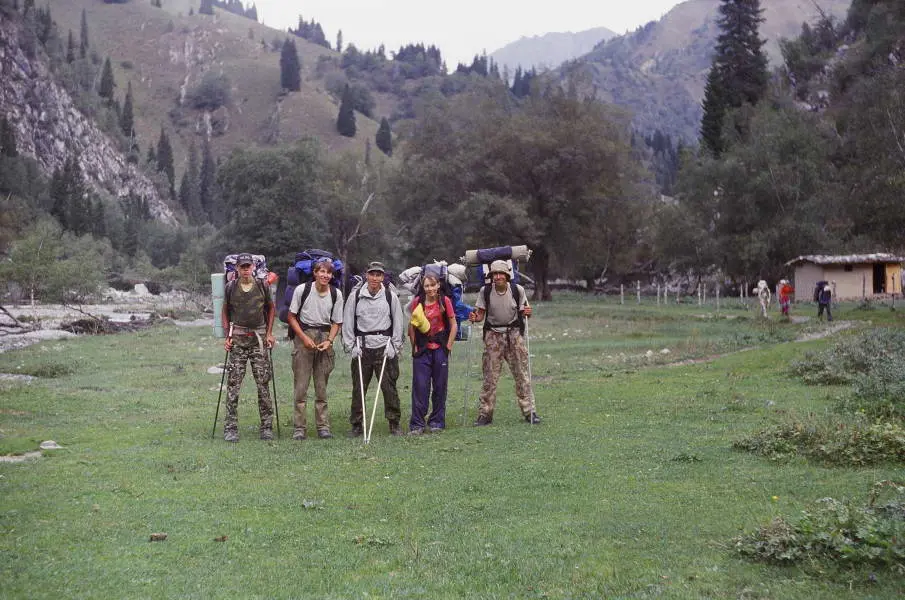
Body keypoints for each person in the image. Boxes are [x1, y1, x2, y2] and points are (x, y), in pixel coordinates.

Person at [468, 260, 541, 426]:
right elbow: (479, 316)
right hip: (493, 336)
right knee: (489, 377)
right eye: (495, 274)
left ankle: (530, 412)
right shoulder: (485, 291)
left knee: (522, 374)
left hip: (514, 335)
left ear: (508, 276)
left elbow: (524, 313)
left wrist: (529, 312)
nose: (498, 277)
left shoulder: (517, 290)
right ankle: (485, 414)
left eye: (501, 274)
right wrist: (474, 317)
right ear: (491, 276)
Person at [341, 261, 405, 437]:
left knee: (389, 387)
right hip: (362, 347)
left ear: (383, 277)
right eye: (372, 274)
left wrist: (395, 345)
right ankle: (356, 425)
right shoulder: (355, 296)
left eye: (378, 275)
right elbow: (347, 323)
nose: (375, 278)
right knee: (358, 388)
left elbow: (398, 323)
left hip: (385, 346)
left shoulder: (390, 296)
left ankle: (394, 422)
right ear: (366, 275)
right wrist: (351, 345)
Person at [286, 258, 344, 440]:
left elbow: (337, 322)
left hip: (324, 337)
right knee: (301, 386)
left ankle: (323, 427)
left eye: (328, 273)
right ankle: (299, 428)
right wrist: (303, 338)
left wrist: (330, 341)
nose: (325, 275)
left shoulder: (336, 294)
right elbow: (291, 316)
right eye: (322, 271)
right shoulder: (302, 290)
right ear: (315, 273)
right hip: (304, 335)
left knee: (321, 387)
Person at [221, 253, 276, 442]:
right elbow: (225, 311)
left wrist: (269, 333)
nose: (245, 269)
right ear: (237, 268)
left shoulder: (263, 285)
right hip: (238, 340)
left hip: (259, 339)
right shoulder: (230, 287)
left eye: (248, 266)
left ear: (253, 267)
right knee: (233, 386)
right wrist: (227, 335)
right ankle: (230, 428)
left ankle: (267, 427)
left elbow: (271, 308)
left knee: (263, 384)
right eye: (242, 266)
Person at [407, 274, 457, 434]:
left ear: (438, 286)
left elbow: (453, 324)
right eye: (426, 286)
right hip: (422, 349)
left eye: (432, 285)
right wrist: (414, 347)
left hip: (440, 348)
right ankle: (417, 424)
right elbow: (412, 327)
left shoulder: (445, 301)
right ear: (423, 287)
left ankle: (437, 422)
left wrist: (448, 346)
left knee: (440, 386)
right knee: (420, 386)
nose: (429, 289)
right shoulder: (417, 302)